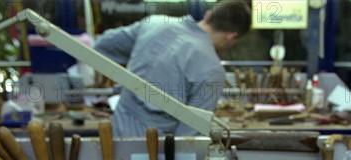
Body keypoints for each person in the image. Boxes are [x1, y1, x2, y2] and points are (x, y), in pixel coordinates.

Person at [94, 0, 251, 136]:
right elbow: (189, 138)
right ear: (232, 36)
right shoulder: (212, 69)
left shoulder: (154, 23)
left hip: (114, 136)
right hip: (156, 152)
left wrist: (143, 55)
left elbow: (103, 45)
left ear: (208, 14)